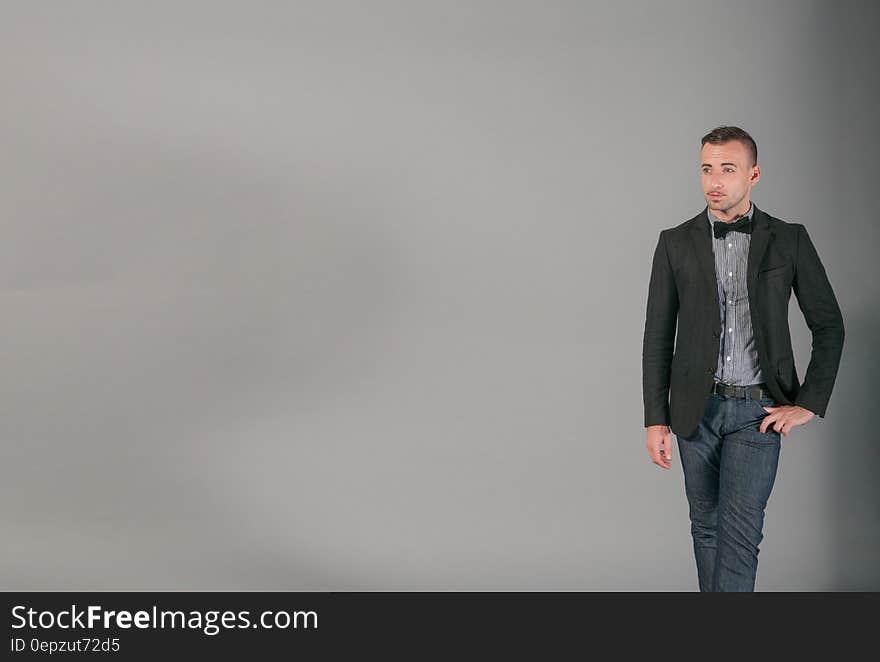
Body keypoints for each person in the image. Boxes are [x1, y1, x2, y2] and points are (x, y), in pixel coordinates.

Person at [641, 126, 844, 591]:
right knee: (706, 530)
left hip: (758, 412)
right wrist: (656, 419)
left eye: (727, 170)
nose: (715, 180)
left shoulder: (789, 239)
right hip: (696, 410)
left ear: (753, 175)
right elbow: (657, 336)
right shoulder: (674, 242)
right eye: (707, 169)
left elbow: (829, 325)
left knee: (738, 537)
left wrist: (808, 402)